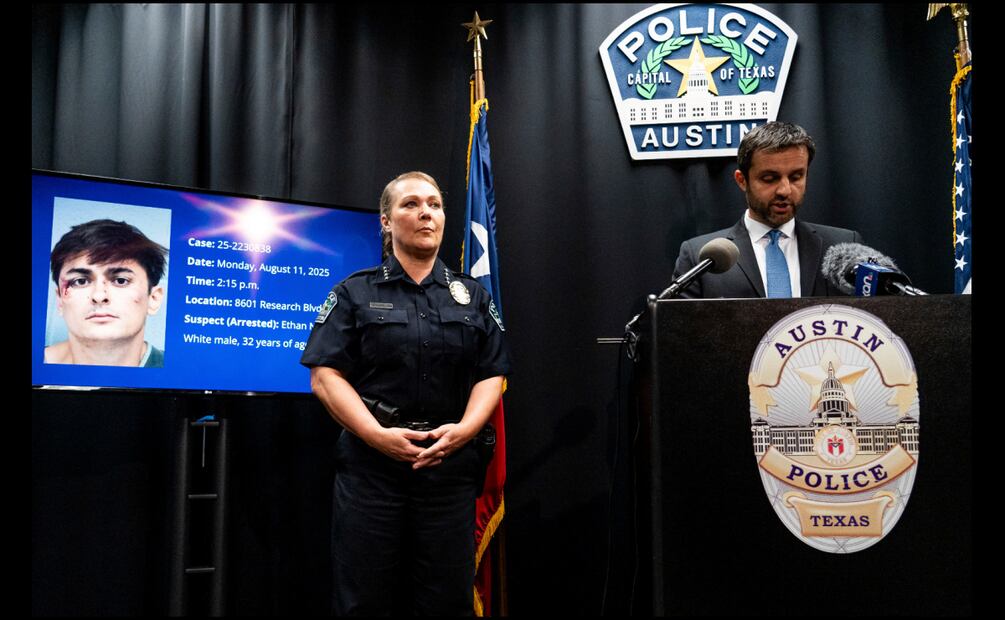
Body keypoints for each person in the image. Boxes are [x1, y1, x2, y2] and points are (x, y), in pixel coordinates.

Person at [300, 171, 511, 616]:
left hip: (448, 472)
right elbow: (325, 376)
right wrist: (377, 436)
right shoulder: (354, 293)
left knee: (446, 602)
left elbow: (492, 374)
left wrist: (465, 432)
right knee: (363, 601)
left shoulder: (472, 298)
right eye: (411, 204)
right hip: (371, 473)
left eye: (434, 204)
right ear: (386, 221)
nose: (426, 213)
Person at [673, 121, 863, 298]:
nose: (785, 190)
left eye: (796, 177)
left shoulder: (844, 246)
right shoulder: (700, 257)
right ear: (742, 180)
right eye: (769, 179)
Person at [46, 218, 168, 367]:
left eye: (121, 280)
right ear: (60, 300)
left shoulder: (185, 372)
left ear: (153, 299)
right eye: (80, 281)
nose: (99, 296)